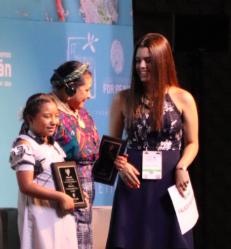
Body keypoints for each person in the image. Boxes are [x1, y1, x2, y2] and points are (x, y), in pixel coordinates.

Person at [106, 33, 199, 249]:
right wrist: (121, 164)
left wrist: (183, 166)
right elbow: (112, 145)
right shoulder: (122, 99)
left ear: (162, 61)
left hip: (171, 181)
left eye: (148, 60)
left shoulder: (183, 97)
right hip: (133, 183)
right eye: (138, 60)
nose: (142, 66)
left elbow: (192, 143)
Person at [10, 93, 78, 249]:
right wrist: (60, 196)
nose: (54, 122)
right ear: (30, 119)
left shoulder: (53, 145)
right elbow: (26, 185)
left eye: (56, 116)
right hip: (39, 215)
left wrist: (76, 194)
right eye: (47, 116)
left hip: (60, 214)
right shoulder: (25, 145)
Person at [50, 61, 100, 249]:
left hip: (87, 187)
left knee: (83, 238)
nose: (89, 94)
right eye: (86, 90)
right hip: (63, 188)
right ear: (70, 88)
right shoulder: (49, 112)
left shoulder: (83, 113)